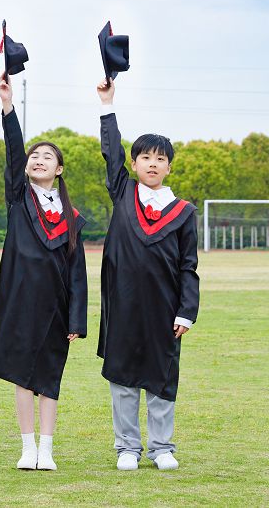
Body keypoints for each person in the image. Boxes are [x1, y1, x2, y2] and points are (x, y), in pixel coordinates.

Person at [0, 73, 87, 471]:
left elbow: (77, 273)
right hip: (21, 302)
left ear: (59, 169)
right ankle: (27, 447)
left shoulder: (71, 218)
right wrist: (8, 107)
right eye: (35, 156)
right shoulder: (19, 200)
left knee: (50, 378)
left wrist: (77, 317)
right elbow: (14, 153)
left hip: (57, 308)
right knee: (23, 376)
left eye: (47, 157)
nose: (38, 160)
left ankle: (48, 447)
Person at [96, 77, 199, 471]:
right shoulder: (123, 193)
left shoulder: (183, 212)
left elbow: (189, 265)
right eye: (145, 158)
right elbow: (110, 153)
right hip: (122, 305)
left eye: (160, 158)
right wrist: (108, 105)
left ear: (169, 166)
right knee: (123, 379)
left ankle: (161, 448)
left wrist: (186, 310)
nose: (152, 164)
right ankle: (127, 448)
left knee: (160, 378)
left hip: (164, 309)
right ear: (134, 164)